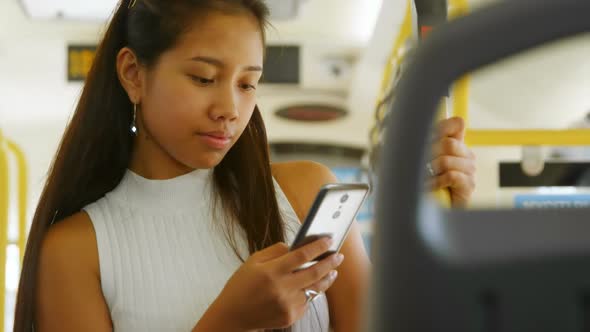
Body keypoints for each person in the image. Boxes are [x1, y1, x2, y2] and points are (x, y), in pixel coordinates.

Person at [13, 0, 476, 331]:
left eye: (248, 84)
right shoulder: (75, 251)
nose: (229, 108)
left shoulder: (305, 192)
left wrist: (442, 219)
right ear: (134, 74)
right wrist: (227, 323)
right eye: (204, 78)